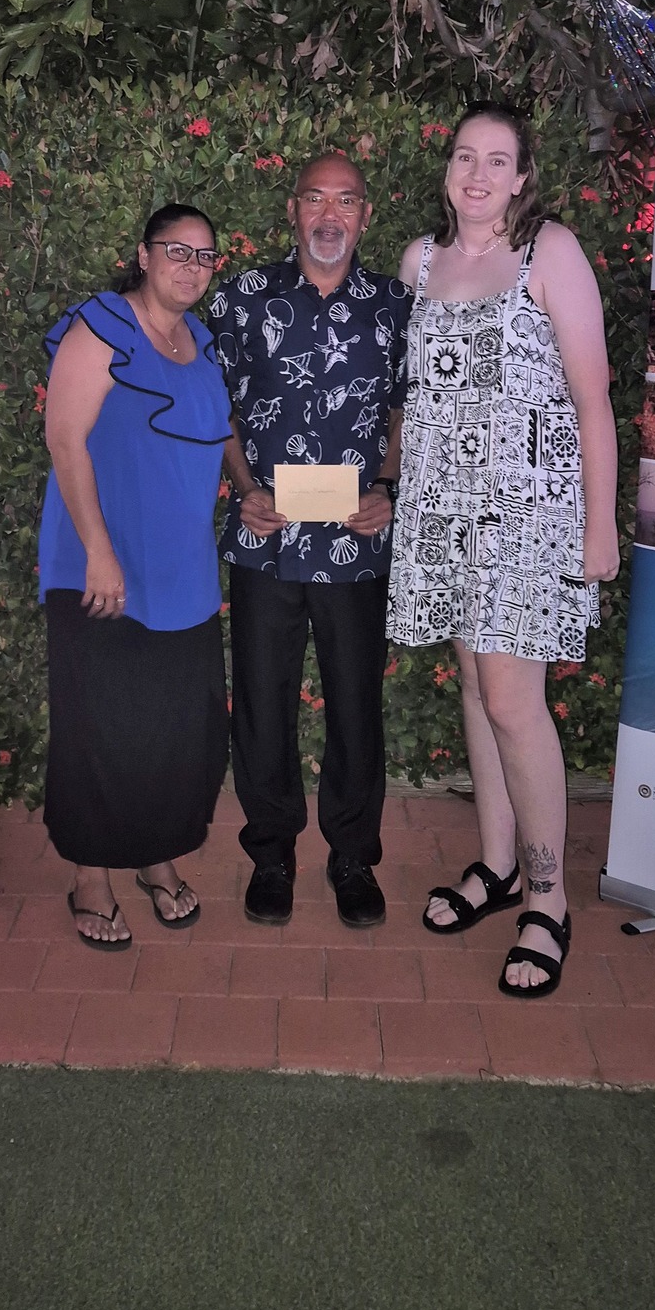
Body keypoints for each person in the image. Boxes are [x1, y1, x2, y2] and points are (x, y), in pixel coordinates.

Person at [388, 103, 620, 997]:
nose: (477, 175)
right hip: (443, 511)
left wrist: (599, 526)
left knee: (515, 702)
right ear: (448, 169)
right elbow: (416, 402)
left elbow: (592, 401)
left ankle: (548, 898)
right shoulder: (418, 261)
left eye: (497, 161)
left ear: (523, 176)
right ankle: (495, 867)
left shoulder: (548, 253)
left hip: (527, 517)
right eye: (463, 156)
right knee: (479, 694)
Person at [209, 154, 411, 928]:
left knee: (356, 701)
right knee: (261, 700)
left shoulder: (395, 306)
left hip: (354, 545)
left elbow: (399, 409)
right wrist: (244, 487)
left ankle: (353, 854)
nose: (331, 215)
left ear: (365, 214)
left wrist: (386, 487)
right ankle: (271, 852)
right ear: (292, 210)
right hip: (269, 540)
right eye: (316, 200)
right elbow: (217, 407)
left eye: (347, 201)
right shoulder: (243, 299)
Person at [38, 204, 234, 947]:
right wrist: (99, 548)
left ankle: (154, 854)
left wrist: (253, 494)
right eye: (176, 250)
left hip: (180, 569)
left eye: (205, 256)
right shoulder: (102, 325)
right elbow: (65, 438)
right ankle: (91, 875)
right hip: (100, 564)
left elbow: (220, 439)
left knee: (169, 727)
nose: (190, 266)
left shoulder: (203, 342)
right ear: (144, 255)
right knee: (97, 724)